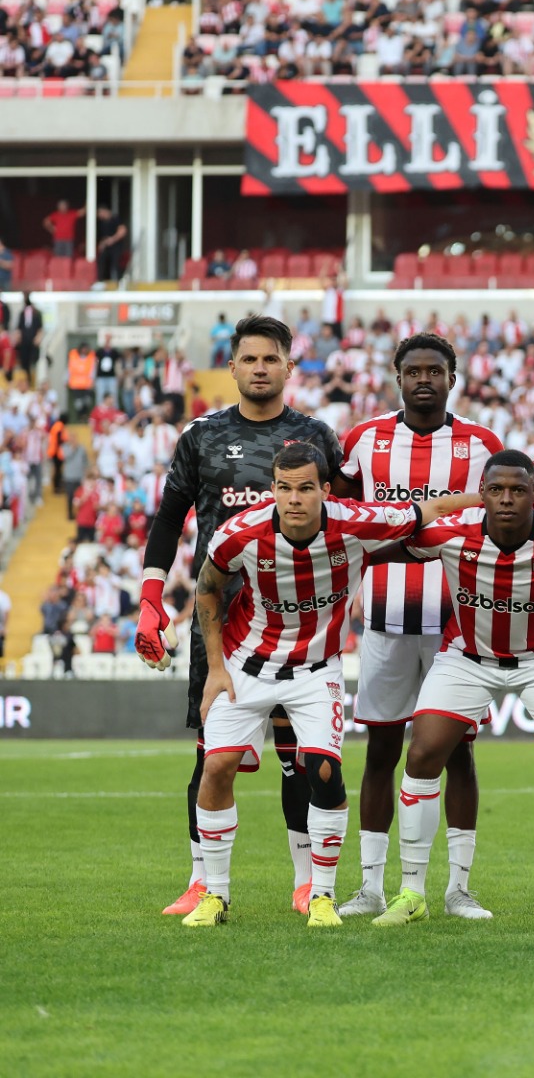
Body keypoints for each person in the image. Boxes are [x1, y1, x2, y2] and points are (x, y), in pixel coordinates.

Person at [180, 442, 477, 928]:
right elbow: (208, 587)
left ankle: (321, 896)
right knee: (216, 769)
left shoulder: (355, 521)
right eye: (283, 488)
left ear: (323, 489)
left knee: (322, 773)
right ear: (273, 488)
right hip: (244, 665)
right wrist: (215, 668)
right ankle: (216, 895)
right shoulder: (242, 533)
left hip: (316, 670)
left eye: (304, 489)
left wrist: (486, 499)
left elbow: (430, 510)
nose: (293, 499)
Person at [135, 315, 344, 919]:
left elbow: (348, 517)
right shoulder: (201, 435)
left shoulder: (316, 438)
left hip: (299, 621)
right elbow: (168, 519)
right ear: (232, 368)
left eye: (269, 359)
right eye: (248, 359)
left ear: (287, 366)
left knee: (299, 756)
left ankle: (307, 882)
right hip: (218, 624)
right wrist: (152, 598)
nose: (259, 368)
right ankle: (202, 880)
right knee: (211, 755)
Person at [371, 450, 534, 928]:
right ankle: (411, 891)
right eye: (496, 490)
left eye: (518, 490)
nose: (507, 500)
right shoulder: (451, 533)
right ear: (483, 493)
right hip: (467, 659)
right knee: (424, 753)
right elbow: (386, 543)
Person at [330, 333, 502, 920]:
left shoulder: (482, 445)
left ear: (453, 378)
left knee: (457, 754)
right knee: (381, 750)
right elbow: (347, 522)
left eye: (435, 370)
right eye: (413, 371)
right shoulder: (365, 440)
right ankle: (372, 886)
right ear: (397, 377)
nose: (424, 379)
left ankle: (458, 887)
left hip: (459, 628)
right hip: (383, 621)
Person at [95, 205, 128, 284]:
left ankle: (120, 282)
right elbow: (103, 236)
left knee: (116, 263)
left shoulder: (115, 219)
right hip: (106, 246)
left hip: (116, 246)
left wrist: (112, 240)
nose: (99, 216)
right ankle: (100, 282)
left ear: (104, 211)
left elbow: (123, 231)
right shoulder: (102, 222)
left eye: (99, 213)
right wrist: (102, 243)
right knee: (101, 261)